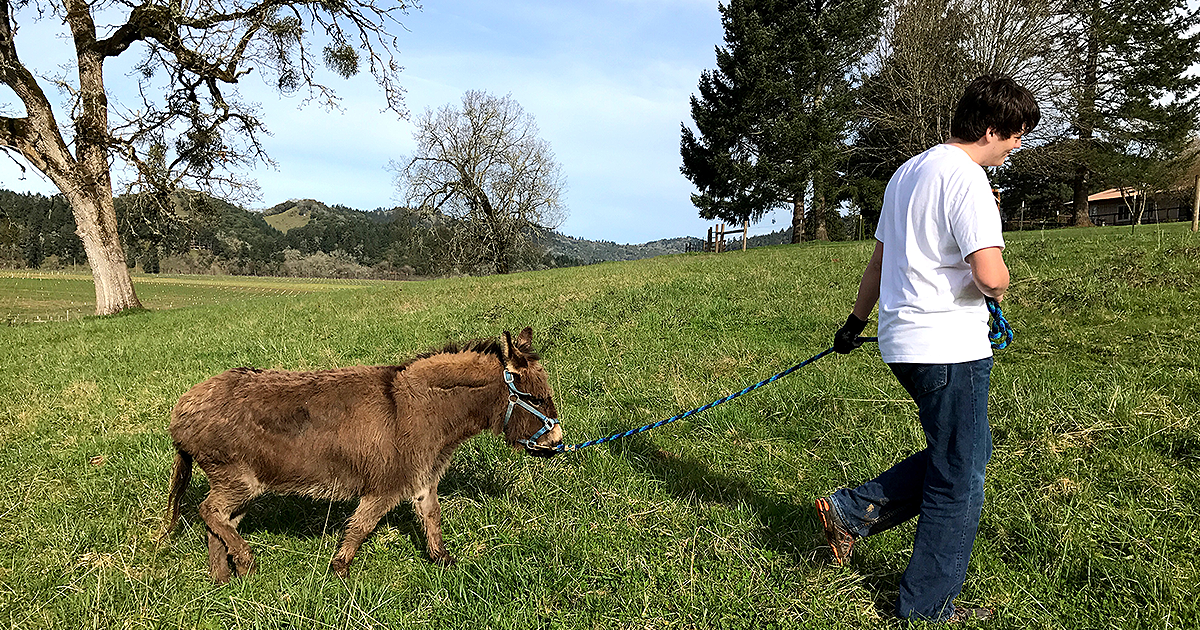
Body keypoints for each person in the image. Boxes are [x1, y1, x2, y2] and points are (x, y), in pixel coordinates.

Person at [815, 74, 1039, 623]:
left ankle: (852, 511)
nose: (1016, 148)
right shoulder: (969, 179)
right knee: (959, 477)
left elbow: (878, 262)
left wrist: (854, 322)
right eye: (1016, 135)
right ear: (992, 130)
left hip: (902, 343)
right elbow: (991, 276)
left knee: (961, 451)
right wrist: (1000, 274)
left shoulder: (907, 173)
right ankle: (925, 609)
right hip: (948, 345)